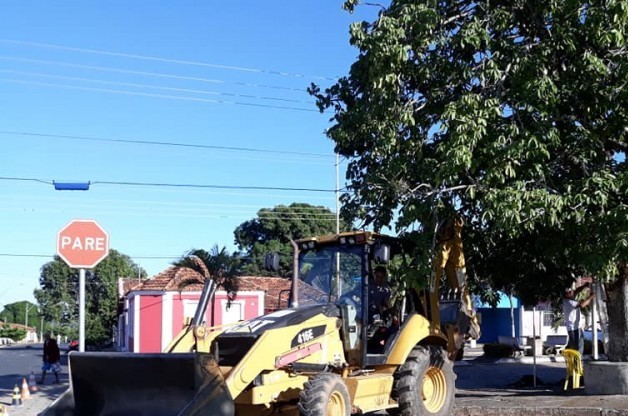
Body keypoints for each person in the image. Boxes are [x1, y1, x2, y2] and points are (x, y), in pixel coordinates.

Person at [562, 282, 595, 355]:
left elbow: (576, 291)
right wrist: (591, 297)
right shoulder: (569, 302)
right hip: (573, 329)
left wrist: (583, 286)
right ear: (566, 294)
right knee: (576, 348)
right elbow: (582, 305)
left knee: (578, 346)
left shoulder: (568, 300)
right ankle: (575, 363)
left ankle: (576, 361)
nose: (572, 292)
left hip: (576, 328)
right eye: (570, 292)